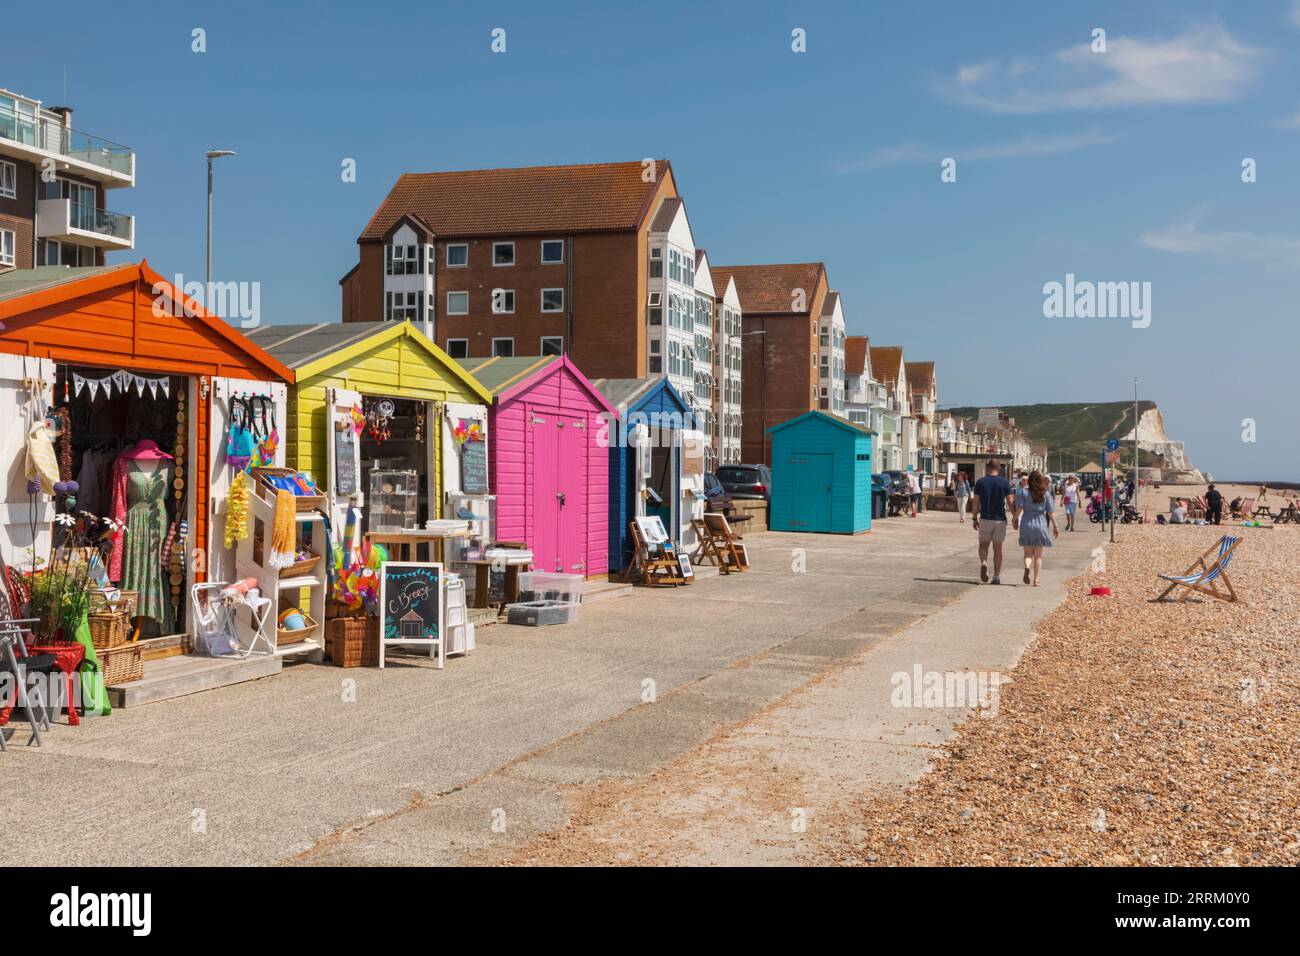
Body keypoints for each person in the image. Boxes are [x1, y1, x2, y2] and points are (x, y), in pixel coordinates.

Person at [972, 459, 1015, 585]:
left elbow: (975, 502)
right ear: (999, 468)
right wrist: (1015, 518)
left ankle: (984, 563)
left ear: (987, 468)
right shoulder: (1004, 483)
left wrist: (974, 518)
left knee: (983, 545)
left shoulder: (980, 482)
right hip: (1000, 520)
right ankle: (996, 576)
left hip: (985, 518)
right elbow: (1010, 502)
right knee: (998, 549)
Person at [1018, 471, 1059, 586]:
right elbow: (1050, 512)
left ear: (1029, 480)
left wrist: (1014, 519)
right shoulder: (1045, 494)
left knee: (1027, 554)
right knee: (1038, 556)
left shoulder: (1024, 492)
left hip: (1026, 523)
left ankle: (1027, 567)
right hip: (1041, 524)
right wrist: (1055, 526)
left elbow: (1020, 508)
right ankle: (1036, 580)